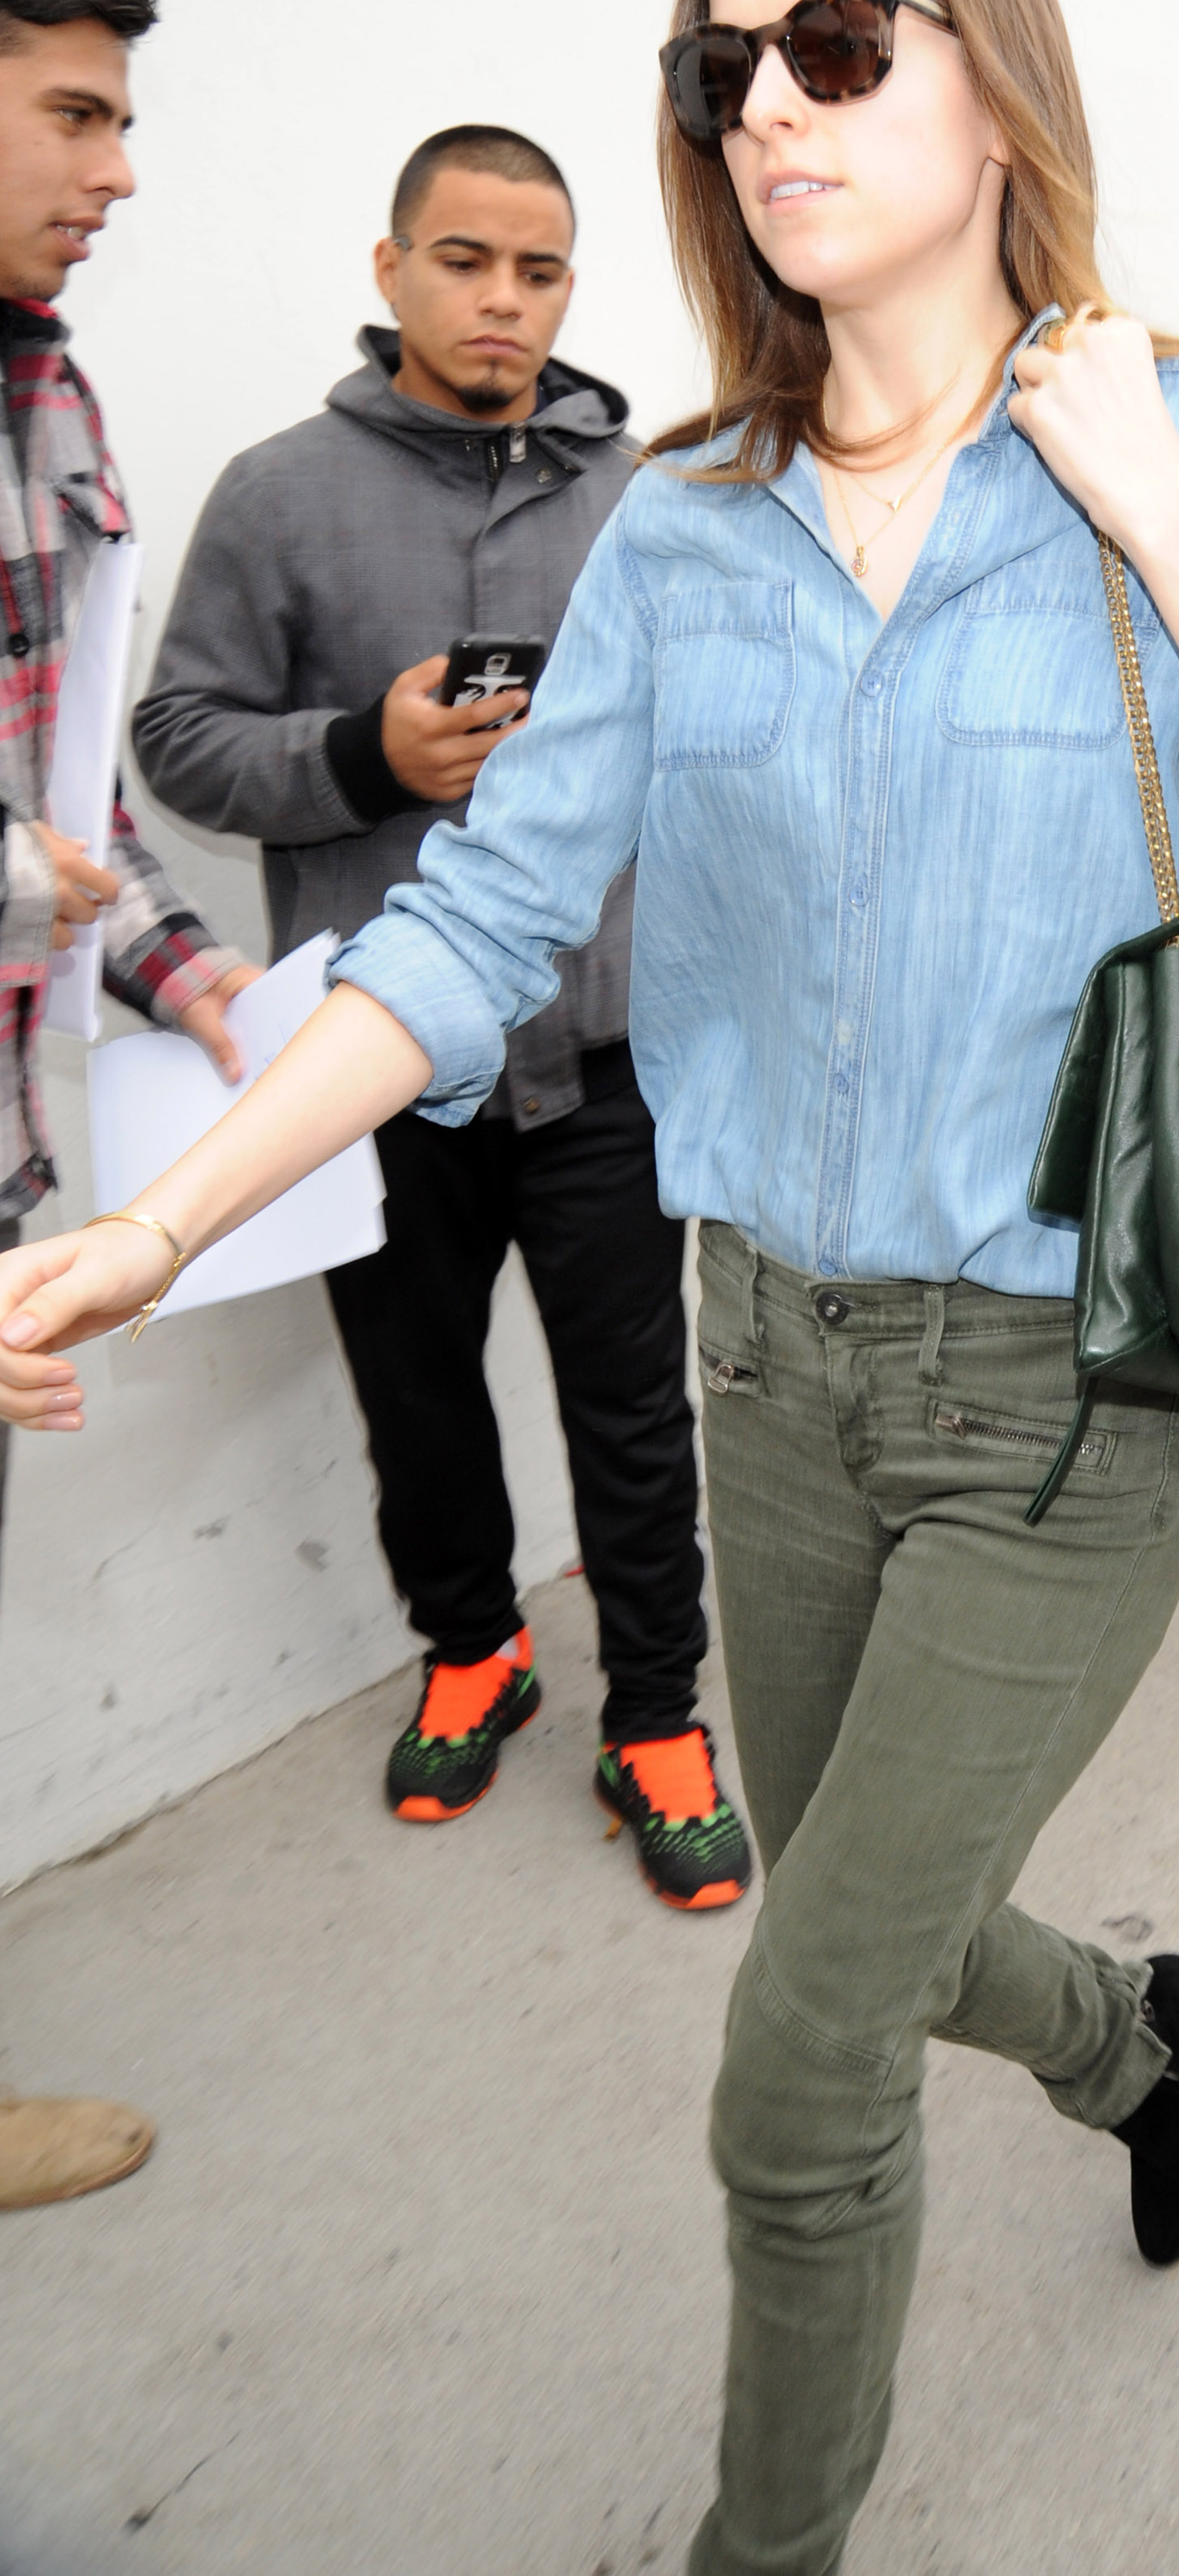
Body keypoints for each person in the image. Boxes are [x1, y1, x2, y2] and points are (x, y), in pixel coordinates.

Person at [0, 0, 1179, 2568]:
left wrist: (1158, 508)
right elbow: (474, 921)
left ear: (991, 64)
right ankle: (1137, 2044)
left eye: (835, 41)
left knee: (799, 2067)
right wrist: (166, 1215)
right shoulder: (681, 524)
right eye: (722, 68)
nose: (766, 108)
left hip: (1069, 1384)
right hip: (767, 1366)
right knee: (869, 1927)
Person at [132, 125, 749, 1907]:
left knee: (633, 1409)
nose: (503, 300)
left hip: (608, 1052)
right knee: (416, 1395)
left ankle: (657, 1712)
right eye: (467, 260)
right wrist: (365, 753)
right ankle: (472, 1647)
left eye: (539, 271)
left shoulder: (643, 493)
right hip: (376, 1064)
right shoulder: (276, 492)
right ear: (391, 266)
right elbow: (179, 740)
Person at [0, 0, 256, 2209]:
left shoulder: (51, 393)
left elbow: (75, 784)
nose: (121, 168)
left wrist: (195, 982)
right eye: (76, 114)